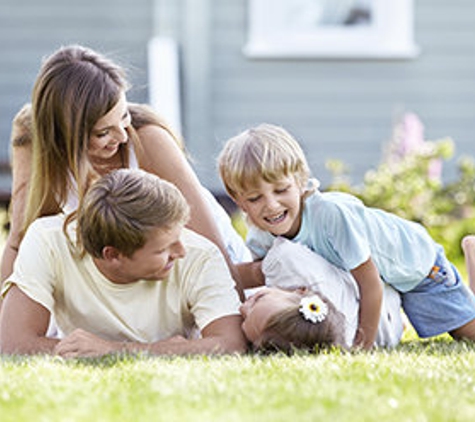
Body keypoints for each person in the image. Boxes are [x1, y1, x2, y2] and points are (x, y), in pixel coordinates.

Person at [0, 44, 250, 292]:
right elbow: (19, 242)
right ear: (66, 134)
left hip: (199, 261)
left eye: (123, 116)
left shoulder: (147, 138)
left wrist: (232, 305)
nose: (121, 136)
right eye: (103, 132)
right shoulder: (32, 140)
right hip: (127, 275)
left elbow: (210, 244)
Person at [218, 123, 475, 350]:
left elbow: (369, 283)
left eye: (281, 190)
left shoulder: (331, 216)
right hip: (389, 278)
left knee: (469, 334)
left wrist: (362, 343)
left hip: (418, 266)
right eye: (255, 198)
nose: (271, 205)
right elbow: (254, 275)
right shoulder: (262, 233)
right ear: (239, 201)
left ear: (299, 181)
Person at [0, 168, 247, 357]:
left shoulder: (201, 255)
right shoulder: (48, 240)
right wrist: (165, 350)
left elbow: (231, 344)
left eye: (179, 235)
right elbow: (13, 342)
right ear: (113, 255)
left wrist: (115, 349)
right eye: (163, 249)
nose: (181, 250)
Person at [240, 237, 404, 352]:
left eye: (244, 320)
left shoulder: (284, 260)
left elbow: (238, 276)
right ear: (301, 290)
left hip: (390, 325)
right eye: (257, 298)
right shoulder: (291, 263)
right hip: (386, 308)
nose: (242, 307)